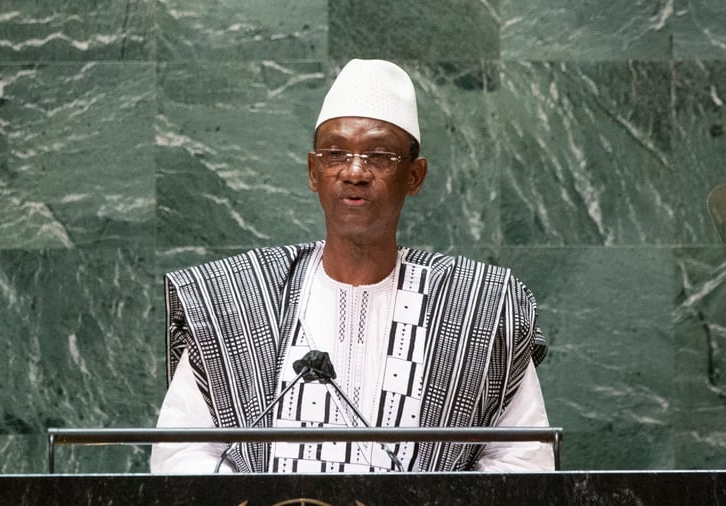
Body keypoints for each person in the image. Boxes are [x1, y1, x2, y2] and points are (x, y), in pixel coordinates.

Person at [150, 59, 552, 474]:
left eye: (378, 155)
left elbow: (523, 461)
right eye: (335, 154)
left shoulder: (479, 307)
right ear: (314, 172)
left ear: (414, 176)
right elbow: (183, 453)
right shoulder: (234, 299)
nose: (354, 172)